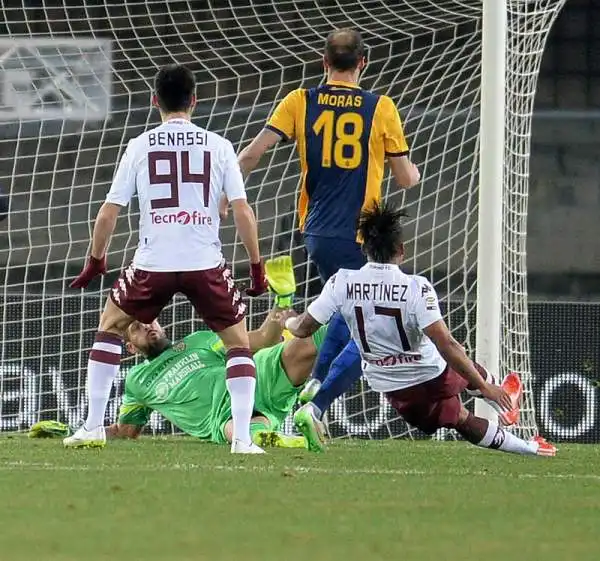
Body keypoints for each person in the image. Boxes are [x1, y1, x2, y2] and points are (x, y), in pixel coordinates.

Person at [225, 28, 420, 433]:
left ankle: (314, 385)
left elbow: (251, 153)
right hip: (360, 236)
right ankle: (316, 405)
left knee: (345, 317)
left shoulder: (300, 100)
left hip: (316, 232)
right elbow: (405, 179)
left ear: (323, 61)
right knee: (371, 334)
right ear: (363, 63)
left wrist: (226, 196)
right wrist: (409, 168)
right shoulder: (380, 107)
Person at [66, 65, 267, 454]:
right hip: (204, 263)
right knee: (238, 345)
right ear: (194, 100)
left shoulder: (140, 145)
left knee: (109, 328)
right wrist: (256, 267)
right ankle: (242, 439)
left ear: (155, 100)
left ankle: (92, 427)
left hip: (152, 263)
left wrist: (95, 259)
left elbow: (109, 211)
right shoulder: (220, 145)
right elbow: (242, 211)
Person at [285, 201, 556, 457]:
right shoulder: (416, 287)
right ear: (401, 250)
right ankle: (500, 397)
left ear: (364, 248)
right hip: (431, 372)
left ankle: (528, 445)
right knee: (461, 362)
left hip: (391, 386)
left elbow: (302, 328)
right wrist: (485, 387)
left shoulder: (340, 282)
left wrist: (287, 319)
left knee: (461, 419)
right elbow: (446, 344)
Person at [30, 258, 323, 449]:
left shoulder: (199, 340)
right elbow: (126, 431)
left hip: (258, 374)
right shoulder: (137, 380)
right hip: (223, 416)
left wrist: (280, 301)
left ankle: (329, 384)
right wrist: (71, 430)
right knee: (242, 432)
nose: (146, 324)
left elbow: (260, 340)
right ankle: (294, 440)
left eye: (149, 319)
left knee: (308, 342)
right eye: (135, 327)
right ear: (130, 347)